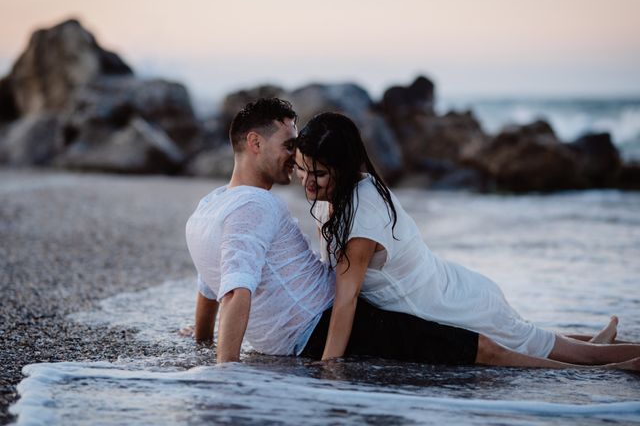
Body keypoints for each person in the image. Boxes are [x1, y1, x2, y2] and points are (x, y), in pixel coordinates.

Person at [185, 98, 638, 371]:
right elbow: (223, 284)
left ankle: (612, 364)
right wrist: (212, 353)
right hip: (421, 300)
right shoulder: (276, 204)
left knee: (506, 345)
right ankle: (594, 351)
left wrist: (325, 370)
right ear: (254, 143)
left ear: (339, 169)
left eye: (313, 170)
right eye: (295, 156)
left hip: (449, 302)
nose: (301, 175)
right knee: (526, 338)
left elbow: (331, 300)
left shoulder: (217, 208)